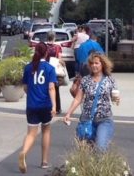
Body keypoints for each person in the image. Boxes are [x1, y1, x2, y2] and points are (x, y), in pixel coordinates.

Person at [62, 52, 119, 151]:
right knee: (86, 150)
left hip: (104, 119)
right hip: (87, 119)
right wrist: (69, 113)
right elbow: (78, 98)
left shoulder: (110, 80)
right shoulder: (85, 80)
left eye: (97, 63)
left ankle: (100, 165)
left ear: (102, 64)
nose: (94, 66)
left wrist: (117, 99)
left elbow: (114, 98)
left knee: (100, 148)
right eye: (92, 63)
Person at [18, 43, 57, 173]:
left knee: (31, 133)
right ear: (46, 53)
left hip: (32, 105)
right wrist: (54, 105)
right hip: (45, 105)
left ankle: (24, 152)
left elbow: (25, 87)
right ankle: (44, 161)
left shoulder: (28, 68)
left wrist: (32, 94)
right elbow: (51, 87)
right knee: (46, 130)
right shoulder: (50, 68)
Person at [44, 30, 63, 114]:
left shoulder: (44, 47)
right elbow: (60, 59)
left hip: (45, 69)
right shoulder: (57, 47)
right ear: (54, 37)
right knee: (55, 88)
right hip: (54, 69)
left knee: (46, 88)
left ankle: (47, 106)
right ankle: (57, 108)